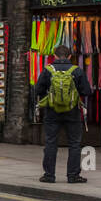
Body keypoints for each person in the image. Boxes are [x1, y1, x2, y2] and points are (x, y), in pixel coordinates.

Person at [35, 43, 92, 184]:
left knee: (50, 142)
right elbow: (86, 91)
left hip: (52, 112)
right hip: (72, 112)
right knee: (74, 143)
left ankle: (49, 175)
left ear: (54, 56)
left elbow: (37, 90)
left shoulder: (48, 70)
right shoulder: (76, 70)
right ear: (70, 56)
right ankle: (73, 176)